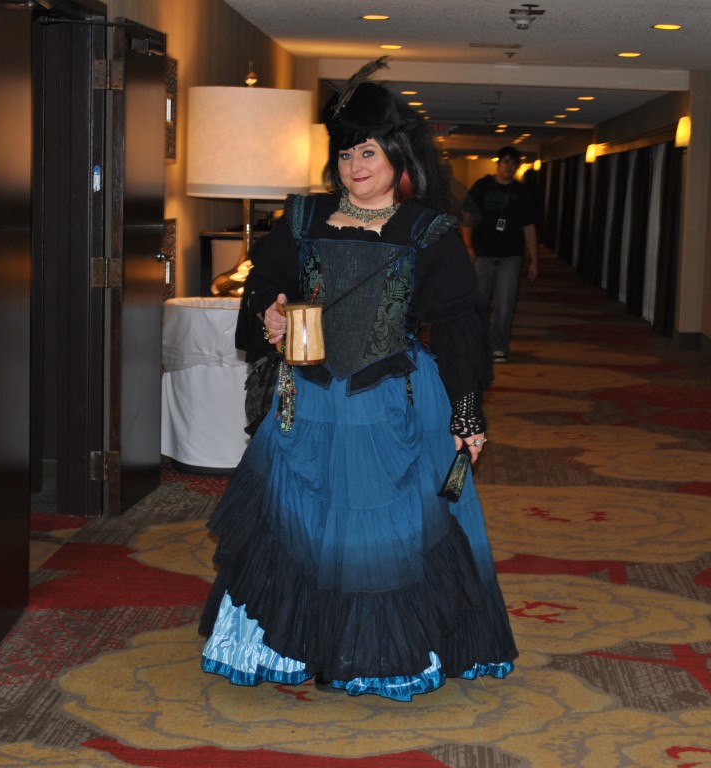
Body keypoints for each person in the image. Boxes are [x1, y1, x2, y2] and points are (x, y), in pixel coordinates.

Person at [199, 61, 518, 701]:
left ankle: (375, 652)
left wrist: (465, 415)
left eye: (367, 151)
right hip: (308, 400)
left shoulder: (429, 232)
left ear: (397, 154)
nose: (353, 165)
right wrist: (269, 311)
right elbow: (264, 283)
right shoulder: (302, 218)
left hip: (390, 401)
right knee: (298, 521)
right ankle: (292, 645)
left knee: (381, 532)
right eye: (345, 153)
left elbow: (459, 327)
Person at [461, 146, 539, 364]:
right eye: (505, 161)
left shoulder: (521, 192)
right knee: (479, 302)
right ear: (498, 163)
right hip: (483, 254)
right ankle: (476, 345)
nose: (509, 166)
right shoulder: (482, 186)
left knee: (505, 304)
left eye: (513, 163)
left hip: (510, 256)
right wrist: (468, 246)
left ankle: (498, 347)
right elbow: (467, 218)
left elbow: (529, 226)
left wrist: (534, 259)